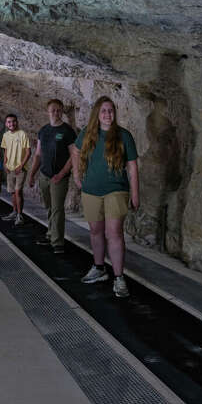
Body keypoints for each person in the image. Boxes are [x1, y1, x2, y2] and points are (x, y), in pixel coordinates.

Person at [70, 97, 139, 298]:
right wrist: (76, 174)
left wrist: (135, 194)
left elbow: (132, 167)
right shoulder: (88, 134)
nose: (108, 114)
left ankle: (119, 277)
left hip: (116, 190)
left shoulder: (124, 136)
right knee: (95, 231)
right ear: (97, 115)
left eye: (110, 110)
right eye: (103, 111)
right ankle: (99, 268)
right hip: (91, 190)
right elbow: (75, 150)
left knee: (114, 233)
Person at [28, 99, 77, 255]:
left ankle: (57, 242)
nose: (56, 113)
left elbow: (73, 156)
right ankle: (50, 234)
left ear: (62, 112)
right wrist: (32, 175)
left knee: (57, 209)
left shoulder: (67, 131)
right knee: (49, 207)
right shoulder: (44, 131)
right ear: (48, 112)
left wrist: (62, 173)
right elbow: (38, 155)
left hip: (59, 176)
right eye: (53, 110)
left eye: (58, 110)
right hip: (44, 175)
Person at [0, 113, 32, 225]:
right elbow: (6, 150)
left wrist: (21, 166)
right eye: (9, 122)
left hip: (20, 169)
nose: (11, 123)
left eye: (13, 121)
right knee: (13, 192)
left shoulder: (22, 134)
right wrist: (5, 162)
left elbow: (28, 152)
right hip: (10, 168)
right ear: (6, 123)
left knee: (18, 191)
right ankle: (14, 212)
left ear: (17, 122)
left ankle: (20, 215)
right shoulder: (5, 135)